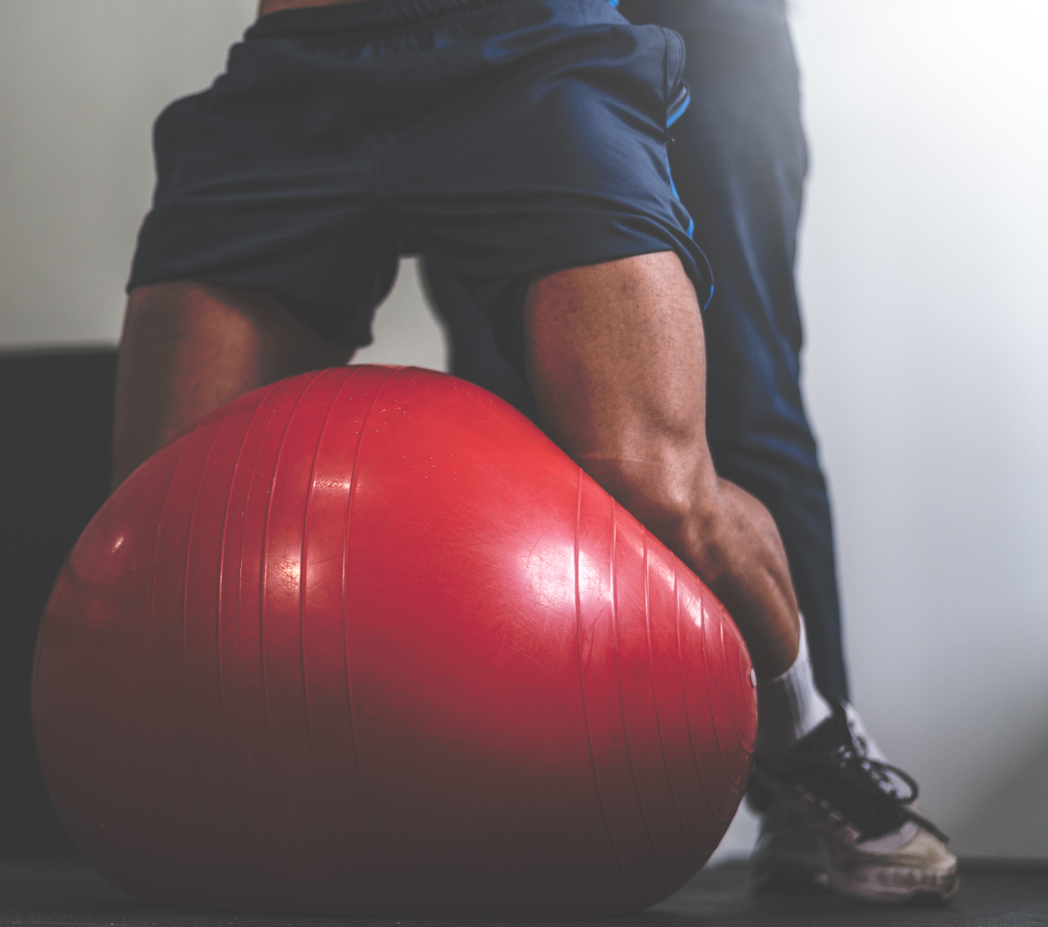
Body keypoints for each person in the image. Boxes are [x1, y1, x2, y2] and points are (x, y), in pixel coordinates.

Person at [110, 0, 956, 904]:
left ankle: (811, 745)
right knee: (164, 523)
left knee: (669, 463)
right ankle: (495, 782)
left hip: (528, 41)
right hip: (303, 59)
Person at [416, 0, 955, 901]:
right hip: (495, 26)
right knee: (507, 415)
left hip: (706, 17)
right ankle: (519, 781)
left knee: (746, 389)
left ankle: (811, 774)